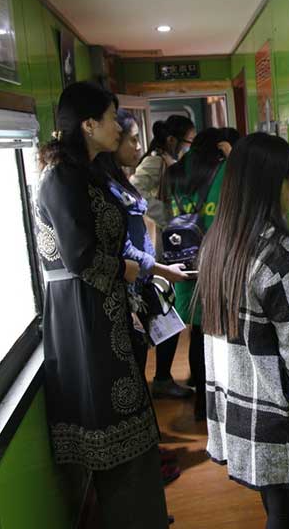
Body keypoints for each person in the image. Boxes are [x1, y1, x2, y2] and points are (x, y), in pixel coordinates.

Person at [198, 133, 289, 529]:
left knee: (277, 508)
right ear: (272, 184)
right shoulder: (276, 258)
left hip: (241, 406)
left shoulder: (219, 244)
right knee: (286, 517)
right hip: (279, 417)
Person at [35, 82, 168, 529]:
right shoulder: (60, 179)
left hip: (104, 304)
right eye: (113, 117)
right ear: (89, 125)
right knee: (110, 416)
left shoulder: (89, 172)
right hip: (84, 314)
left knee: (129, 413)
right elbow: (80, 256)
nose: (119, 126)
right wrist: (127, 273)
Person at [95, 109, 191, 484]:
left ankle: (148, 451)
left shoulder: (117, 179)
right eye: (130, 138)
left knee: (142, 361)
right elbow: (123, 248)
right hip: (131, 282)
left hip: (141, 276)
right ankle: (143, 462)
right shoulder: (111, 183)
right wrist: (161, 265)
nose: (136, 144)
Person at [165, 128, 230, 420]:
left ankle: (202, 405)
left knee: (198, 333)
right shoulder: (224, 169)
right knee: (221, 335)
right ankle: (222, 405)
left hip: (185, 261)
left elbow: (163, 214)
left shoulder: (175, 172)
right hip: (219, 261)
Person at [131, 115, 197, 399]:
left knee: (169, 312)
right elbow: (135, 190)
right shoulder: (155, 161)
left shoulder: (166, 161)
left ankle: (163, 376)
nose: (189, 148)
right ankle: (161, 378)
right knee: (167, 312)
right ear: (173, 140)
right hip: (161, 247)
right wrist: (168, 215)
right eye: (188, 142)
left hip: (170, 243)